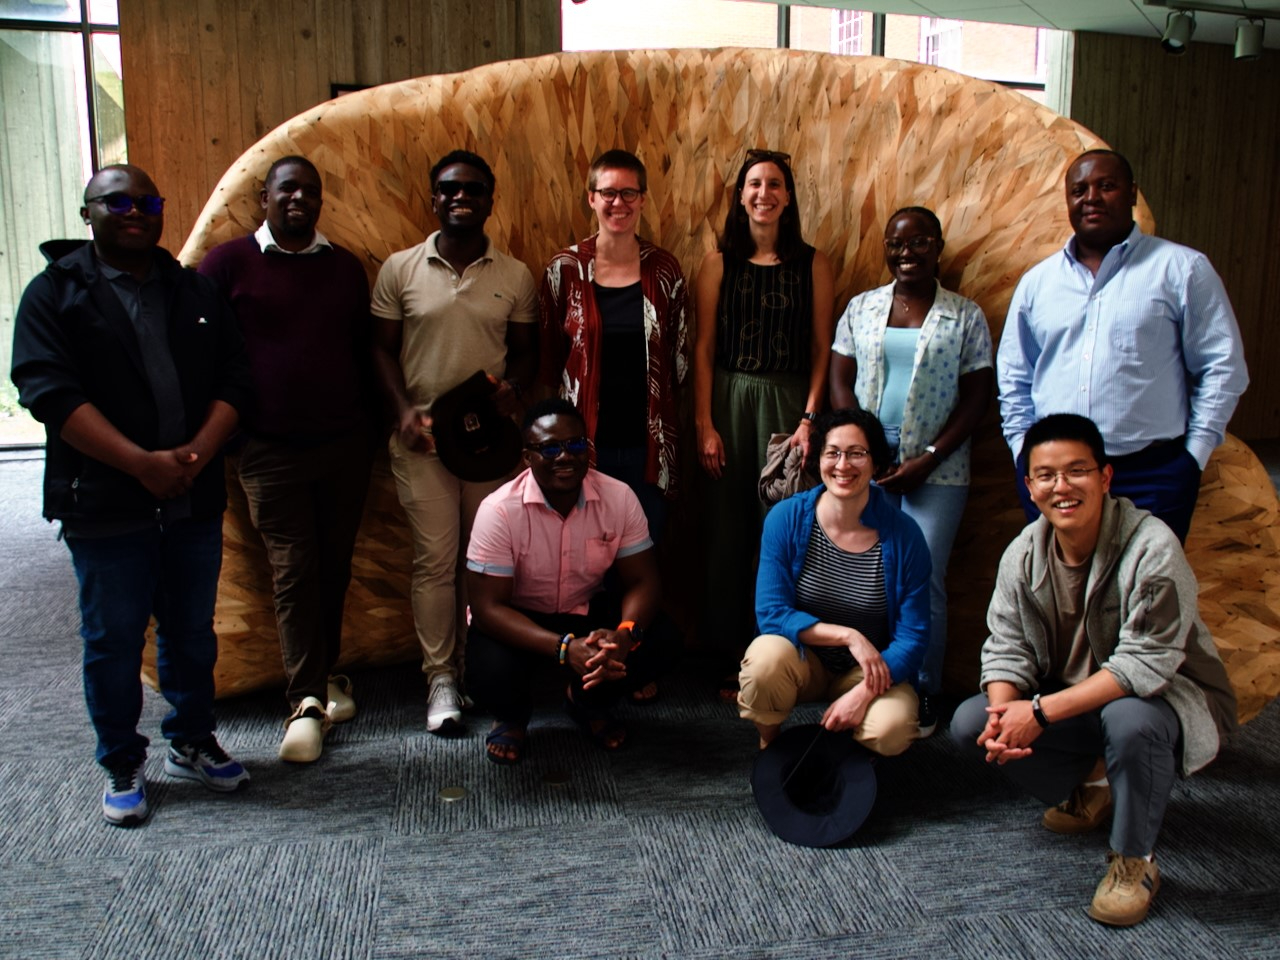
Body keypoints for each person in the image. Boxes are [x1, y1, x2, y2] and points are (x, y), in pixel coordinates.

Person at [10, 164, 252, 826]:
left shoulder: (192, 288)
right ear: (87, 214)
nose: (136, 212)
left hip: (191, 494)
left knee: (190, 631)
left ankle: (192, 739)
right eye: (116, 203)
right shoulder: (54, 293)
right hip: (104, 501)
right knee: (113, 639)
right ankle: (121, 759)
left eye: (148, 201)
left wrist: (195, 455)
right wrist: (141, 465)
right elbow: (48, 392)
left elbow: (235, 377)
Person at [950, 414, 1236, 927]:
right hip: (1078, 700)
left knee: (1129, 721)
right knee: (972, 722)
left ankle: (1135, 860)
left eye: (1076, 471)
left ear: (1105, 478)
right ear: (1030, 486)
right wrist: (1003, 715)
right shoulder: (1023, 552)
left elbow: (1144, 665)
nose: (1061, 486)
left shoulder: (1152, 546)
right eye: (1046, 475)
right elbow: (1007, 645)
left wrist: (1039, 712)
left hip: (1167, 699)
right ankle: (1099, 783)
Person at [199, 155, 374, 763]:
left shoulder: (344, 267)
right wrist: (234, 438)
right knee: (294, 571)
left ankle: (325, 678)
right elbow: (203, 356)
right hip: (268, 451)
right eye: (288, 188)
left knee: (333, 568)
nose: (300, 198)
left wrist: (371, 431)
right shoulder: (227, 264)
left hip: (344, 446)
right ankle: (305, 702)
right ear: (264, 198)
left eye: (311, 190)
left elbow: (363, 351)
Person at [997, 149, 1248, 543]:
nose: (1091, 198)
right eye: (1079, 190)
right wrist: (1022, 453)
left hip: (1153, 474)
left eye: (1106, 186)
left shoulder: (1181, 269)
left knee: (1148, 580)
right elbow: (1014, 378)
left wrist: (1193, 456)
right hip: (1057, 476)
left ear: (1132, 193)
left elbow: (1223, 366)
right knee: (1062, 579)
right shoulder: (1037, 283)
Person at [370, 149, 538, 736]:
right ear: (433, 198)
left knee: (484, 562)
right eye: (448, 188)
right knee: (436, 562)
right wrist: (402, 411)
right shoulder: (399, 269)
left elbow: (526, 354)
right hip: (423, 444)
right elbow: (380, 350)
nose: (460, 196)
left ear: (490, 199)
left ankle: (477, 672)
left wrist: (516, 390)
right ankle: (441, 679)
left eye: (472, 188)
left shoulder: (514, 275)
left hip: (489, 446)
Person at [829, 206, 993, 736]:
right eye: (896, 243)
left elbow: (977, 398)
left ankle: (922, 689)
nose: (907, 253)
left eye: (919, 242)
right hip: (867, 466)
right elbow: (840, 379)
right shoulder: (862, 307)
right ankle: (864, 680)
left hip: (937, 469)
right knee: (868, 577)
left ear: (938, 247)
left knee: (923, 580)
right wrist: (863, 449)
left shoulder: (965, 316)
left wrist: (931, 456)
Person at [693, 149, 834, 690]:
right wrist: (705, 423)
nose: (764, 194)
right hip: (729, 399)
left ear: (788, 196)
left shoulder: (813, 264)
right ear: (740, 195)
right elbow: (705, 348)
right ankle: (727, 649)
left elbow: (821, 348)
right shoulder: (718, 263)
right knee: (726, 528)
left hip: (788, 404)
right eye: (754, 184)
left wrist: (810, 418)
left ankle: (775, 648)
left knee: (781, 527)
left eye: (775, 184)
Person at [464, 398, 671, 764]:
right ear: (527, 457)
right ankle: (512, 716)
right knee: (488, 672)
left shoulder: (619, 497)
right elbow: (486, 608)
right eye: (550, 448)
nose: (565, 457)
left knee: (660, 638)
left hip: (585, 612)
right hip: (519, 620)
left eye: (576, 445)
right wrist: (563, 648)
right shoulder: (498, 511)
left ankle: (586, 703)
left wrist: (624, 635)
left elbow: (644, 580)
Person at [738, 408, 929, 757]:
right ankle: (770, 747)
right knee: (764, 660)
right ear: (819, 458)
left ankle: (847, 758)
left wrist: (863, 693)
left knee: (892, 728)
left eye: (857, 453)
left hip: (868, 669)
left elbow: (913, 637)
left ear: (875, 462)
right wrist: (849, 636)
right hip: (802, 661)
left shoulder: (905, 535)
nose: (843, 465)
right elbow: (772, 614)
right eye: (833, 453)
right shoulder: (786, 518)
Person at [538, 149, 688, 546]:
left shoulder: (664, 270)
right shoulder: (564, 270)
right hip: (581, 448)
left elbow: (678, 362)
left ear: (643, 199)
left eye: (628, 193)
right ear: (591, 198)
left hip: (648, 449)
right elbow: (550, 361)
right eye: (608, 193)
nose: (618, 203)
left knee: (644, 553)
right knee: (584, 559)